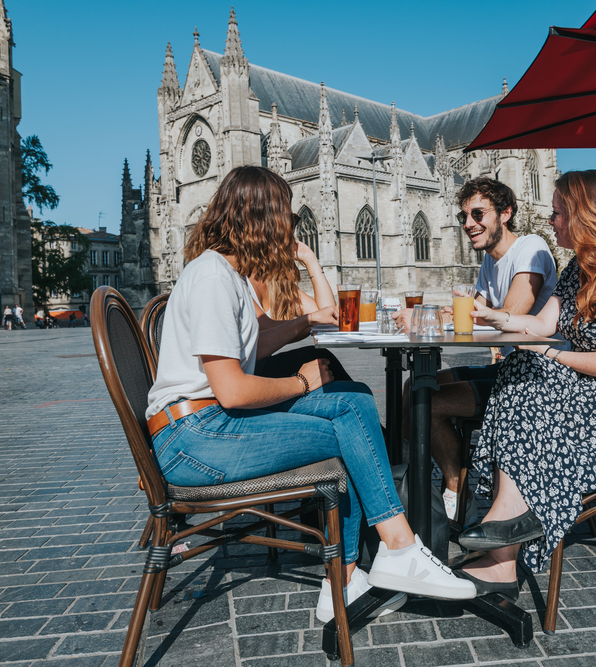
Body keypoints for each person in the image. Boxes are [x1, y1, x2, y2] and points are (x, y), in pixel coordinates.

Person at [146, 166, 475, 624]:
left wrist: (305, 323)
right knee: (348, 427)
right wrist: (302, 383)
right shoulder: (212, 279)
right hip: (193, 439)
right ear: (259, 217)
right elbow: (234, 391)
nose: (291, 225)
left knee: (354, 400)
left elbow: (253, 345)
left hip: (205, 427)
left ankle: (356, 572)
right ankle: (387, 555)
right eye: (286, 215)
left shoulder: (228, 275)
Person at [450, 170, 596, 601]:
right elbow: (543, 323)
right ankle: (507, 532)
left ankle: (506, 523)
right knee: (521, 371)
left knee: (532, 372)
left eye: (558, 213)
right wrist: (497, 318)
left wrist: (550, 354)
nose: (552, 220)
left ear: (585, 215)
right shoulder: (579, 266)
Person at [394, 177, 557, 521]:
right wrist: (429, 316)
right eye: (463, 217)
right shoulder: (489, 262)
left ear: (506, 213)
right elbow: (469, 315)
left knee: (430, 401)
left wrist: (430, 315)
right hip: (508, 369)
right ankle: (417, 482)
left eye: (478, 214)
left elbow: (509, 315)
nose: (469, 224)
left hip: (536, 379)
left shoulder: (531, 248)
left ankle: (454, 488)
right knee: (413, 387)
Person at [247, 217, 353, 383]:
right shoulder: (241, 278)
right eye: (285, 235)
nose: (291, 241)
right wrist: (311, 321)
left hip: (260, 368)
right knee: (320, 357)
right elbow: (266, 328)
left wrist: (310, 259)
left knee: (324, 360)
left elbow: (327, 313)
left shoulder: (277, 282)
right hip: (244, 374)